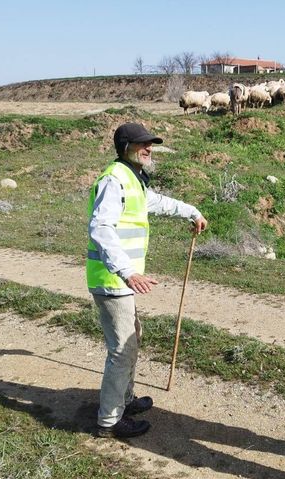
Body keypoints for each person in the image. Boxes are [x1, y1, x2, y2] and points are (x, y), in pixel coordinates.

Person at [87, 122, 207, 438]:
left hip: (119, 281)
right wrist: (127, 271)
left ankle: (124, 400)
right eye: (142, 144)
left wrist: (191, 211)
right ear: (125, 146)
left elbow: (157, 202)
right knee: (122, 350)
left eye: (150, 143)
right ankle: (109, 421)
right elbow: (101, 228)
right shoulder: (114, 180)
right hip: (112, 280)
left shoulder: (132, 180)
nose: (149, 148)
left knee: (132, 336)